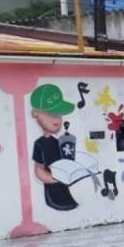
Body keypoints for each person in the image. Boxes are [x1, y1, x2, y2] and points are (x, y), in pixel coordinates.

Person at [30, 83, 79, 211]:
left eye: (59, 114)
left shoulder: (59, 142)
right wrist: (56, 178)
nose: (57, 119)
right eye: (51, 113)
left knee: (71, 203)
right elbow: (39, 171)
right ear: (35, 113)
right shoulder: (39, 143)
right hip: (53, 195)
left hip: (64, 188)